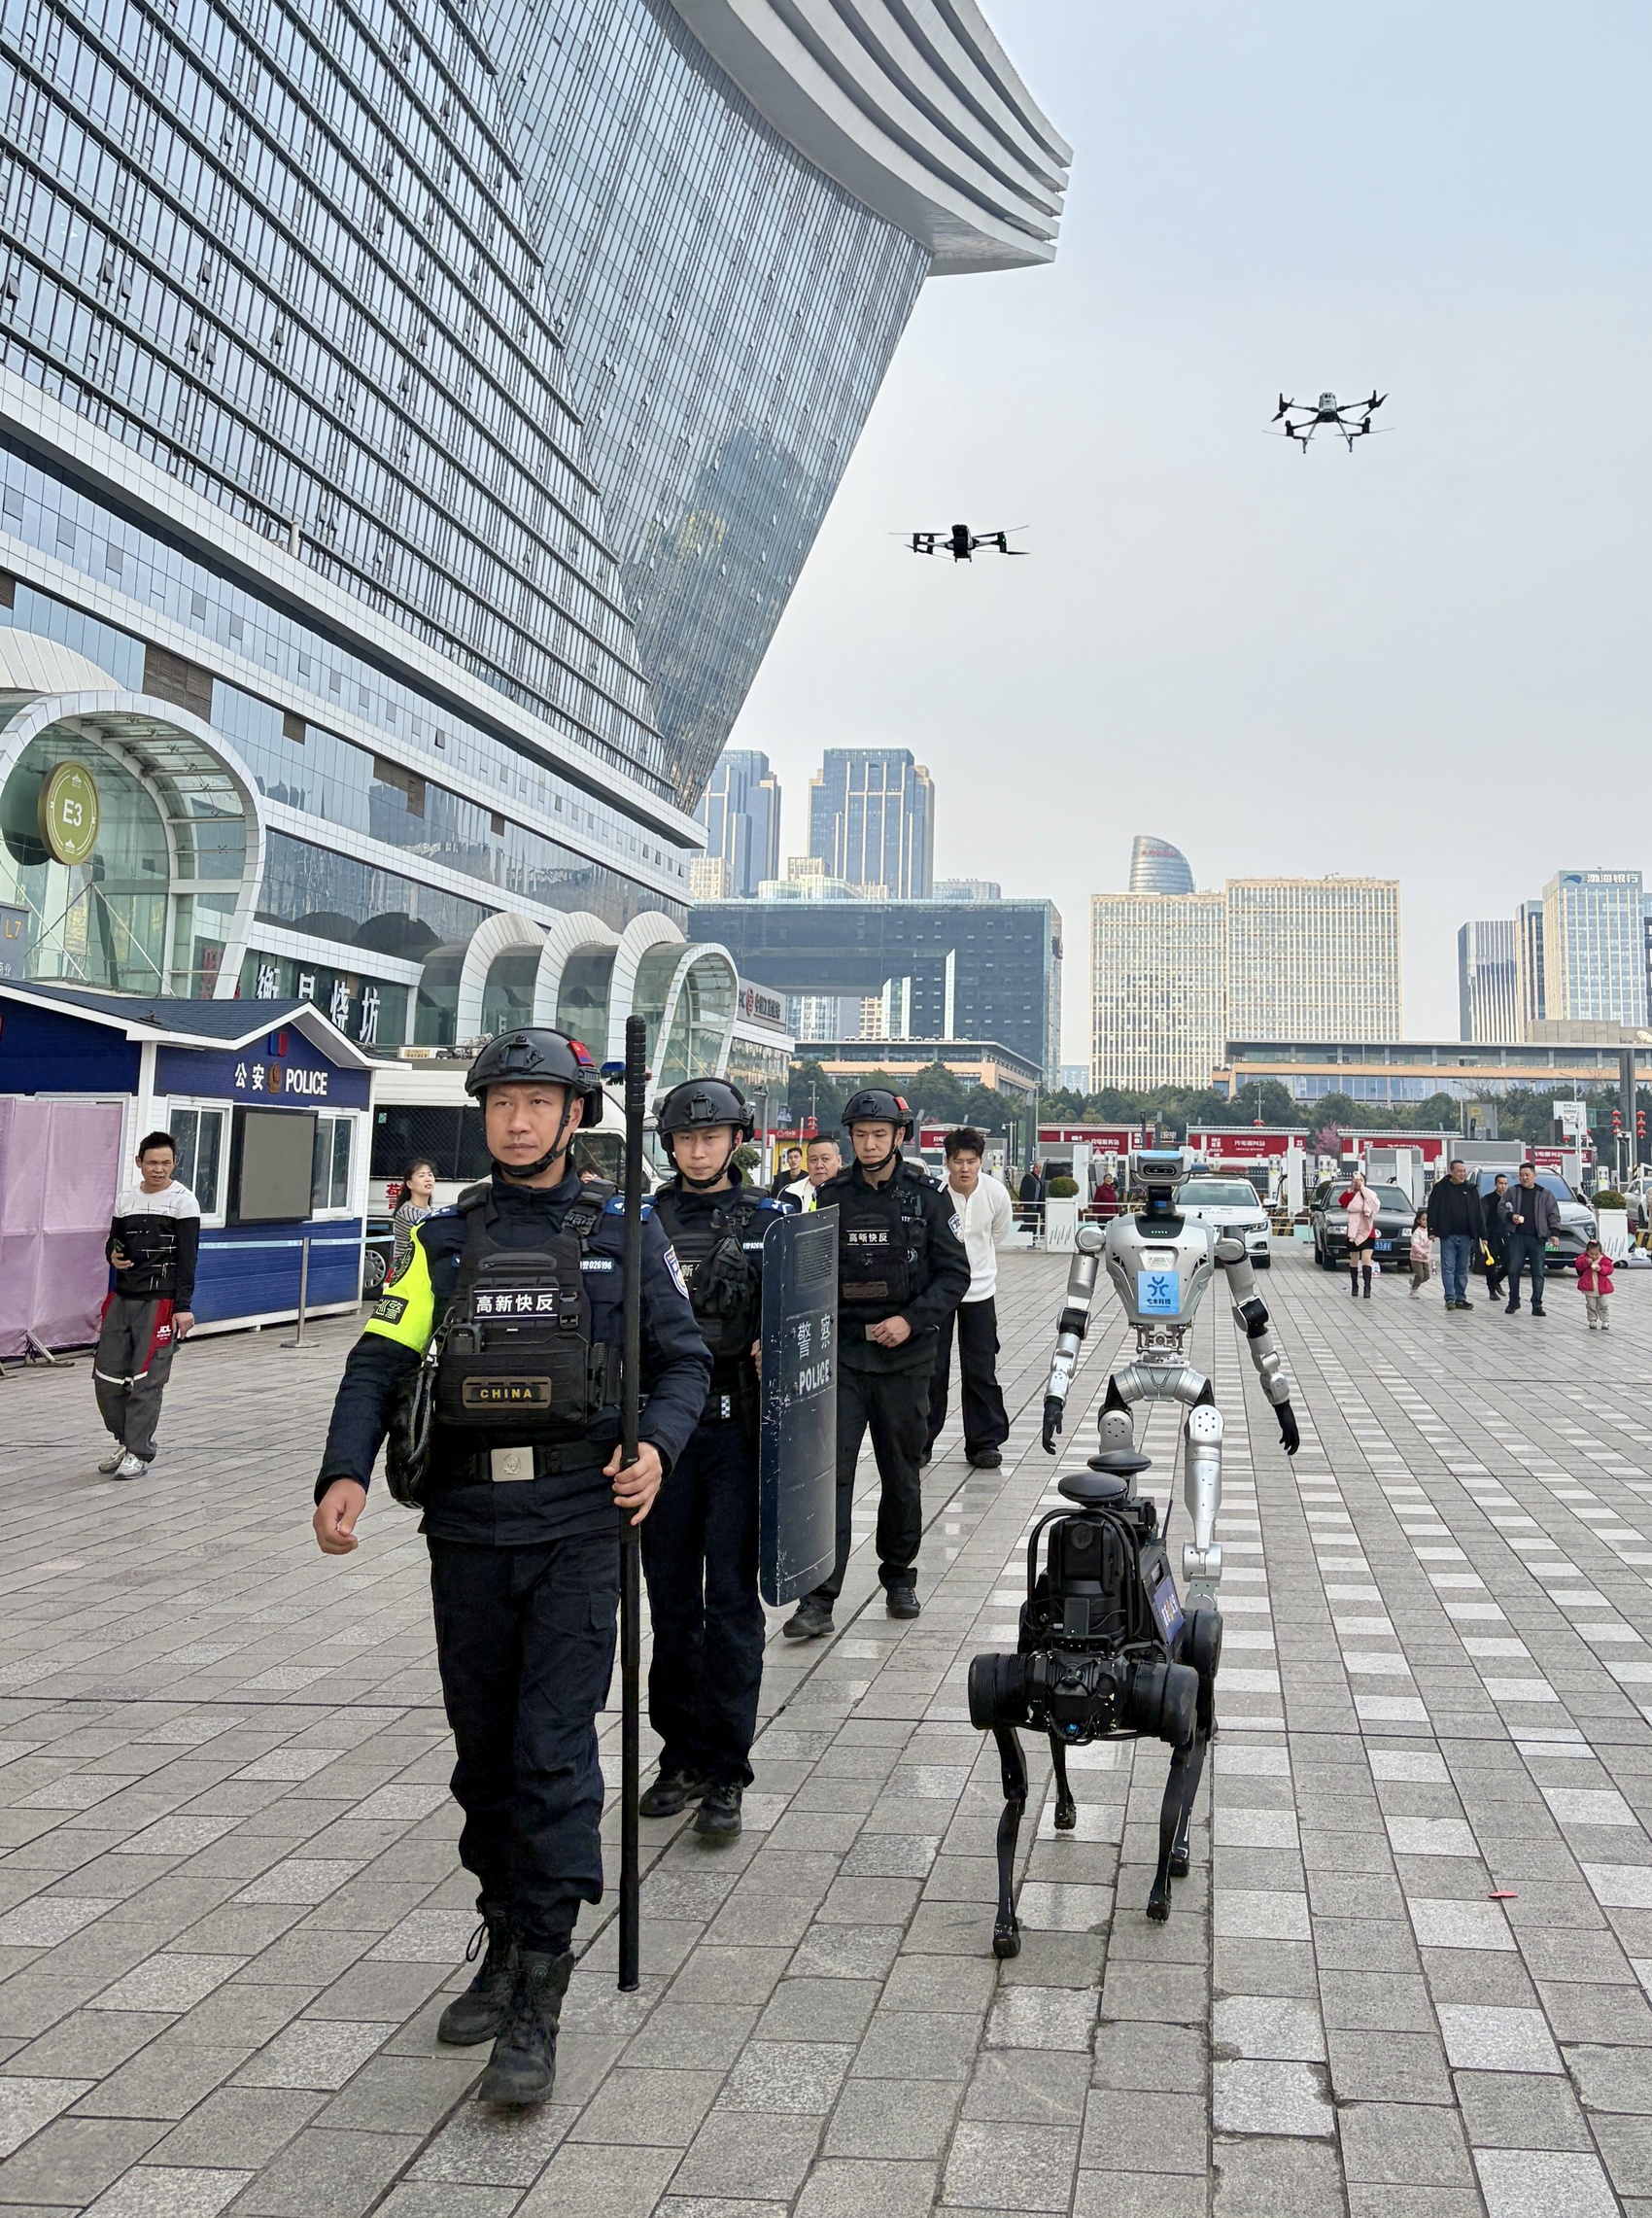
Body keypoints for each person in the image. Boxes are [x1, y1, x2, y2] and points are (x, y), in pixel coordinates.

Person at [311, 1027, 710, 2107]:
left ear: (575, 1115)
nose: (518, 1121)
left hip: (580, 1524)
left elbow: (683, 1361)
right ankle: (500, 1932)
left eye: (538, 1103)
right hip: (467, 1528)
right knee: (483, 1759)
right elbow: (378, 1361)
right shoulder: (442, 1240)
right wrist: (344, 1471)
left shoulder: (625, 1231)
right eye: (500, 1103)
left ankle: (541, 1983)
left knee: (550, 1756)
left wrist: (658, 1445)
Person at [639, 1078, 792, 1842]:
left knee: (730, 1606)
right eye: (684, 1139)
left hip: (738, 1435)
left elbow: (815, 1320)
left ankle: (727, 1771)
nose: (697, 1151)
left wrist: (779, 1341)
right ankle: (679, 1758)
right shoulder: (641, 1222)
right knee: (671, 1607)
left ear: (737, 1140)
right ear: (668, 1144)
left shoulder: (776, 1222)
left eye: (711, 1137)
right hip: (664, 1442)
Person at [782, 1089, 969, 1639]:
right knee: (831, 1478)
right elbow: (807, 1271)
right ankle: (818, 1597)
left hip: (906, 1359)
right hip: (843, 1358)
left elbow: (954, 1275)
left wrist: (911, 1320)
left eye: (879, 1135)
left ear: (898, 1137)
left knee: (900, 1474)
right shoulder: (830, 1195)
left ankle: (900, 1577)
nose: (868, 1144)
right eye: (860, 1135)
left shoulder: (928, 1197)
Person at [93, 1131, 201, 1479]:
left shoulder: (184, 1201)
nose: (159, 1169)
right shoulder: (126, 1198)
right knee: (106, 1378)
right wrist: (112, 1255)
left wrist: (183, 1307)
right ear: (139, 1162)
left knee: (146, 1380)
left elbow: (188, 1260)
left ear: (174, 1164)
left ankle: (138, 1452)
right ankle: (126, 1440)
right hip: (122, 1298)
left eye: (166, 1163)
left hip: (161, 1302)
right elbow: (113, 1241)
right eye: (152, 1162)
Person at [925, 1128, 1014, 1471]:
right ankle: (921, 1441)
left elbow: (998, 1233)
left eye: (971, 1161)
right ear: (946, 1162)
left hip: (980, 1292)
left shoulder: (995, 1193)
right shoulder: (934, 1193)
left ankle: (984, 1442)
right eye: (958, 1161)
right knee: (932, 1369)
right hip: (938, 1292)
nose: (965, 1168)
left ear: (981, 1162)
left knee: (981, 1369)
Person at [1427, 1158, 1485, 1313]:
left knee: (1462, 1268)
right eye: (1459, 1171)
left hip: (1466, 1235)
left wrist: (1483, 1235)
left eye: (1464, 1171)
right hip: (1448, 1235)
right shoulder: (1441, 1188)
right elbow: (1433, 1209)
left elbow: (1478, 1212)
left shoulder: (1470, 1189)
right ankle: (1450, 1299)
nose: (1462, 1174)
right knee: (1448, 1267)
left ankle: (1460, 1298)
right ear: (1451, 1172)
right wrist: (1432, 1230)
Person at [1501, 1161, 1560, 1317]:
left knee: (1538, 1272)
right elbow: (1501, 1207)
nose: (1524, 1178)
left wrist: (1554, 1233)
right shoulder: (1512, 1191)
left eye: (1527, 1175)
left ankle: (1537, 1304)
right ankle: (1514, 1301)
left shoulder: (1545, 1194)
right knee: (1513, 1270)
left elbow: (1553, 1214)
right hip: (1517, 1237)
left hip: (1537, 1238)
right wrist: (1510, 1216)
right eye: (1521, 1175)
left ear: (1534, 1176)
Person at [1339, 1169, 1380, 1299]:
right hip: (1353, 1231)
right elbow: (1342, 1202)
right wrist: (1350, 1189)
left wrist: (1362, 1188)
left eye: (1360, 1180)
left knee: (1366, 1258)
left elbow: (1375, 1205)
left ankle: (1367, 1287)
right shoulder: (1351, 1195)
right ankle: (1354, 1285)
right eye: (1355, 1180)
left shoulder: (1369, 1194)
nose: (1358, 1183)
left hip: (1368, 1231)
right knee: (1354, 1260)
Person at [392, 1160, 437, 1274]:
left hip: (422, 1269)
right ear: (409, 1184)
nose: (428, 1179)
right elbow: (429, 1237)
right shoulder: (407, 1211)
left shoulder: (432, 1211)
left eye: (430, 1175)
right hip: (405, 1271)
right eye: (421, 1176)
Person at [786, 1135, 841, 1208]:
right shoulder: (789, 1193)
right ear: (807, 1162)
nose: (819, 1165)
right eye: (814, 1160)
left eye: (825, 1159)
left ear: (838, 1160)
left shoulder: (852, 1191)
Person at [1482, 1172, 1511, 1301]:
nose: (1503, 1186)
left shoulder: (1509, 1200)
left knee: (1509, 1262)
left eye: (1505, 1184)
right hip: (1491, 1235)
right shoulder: (1488, 1199)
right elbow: (1483, 1217)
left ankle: (1496, 1281)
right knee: (1491, 1263)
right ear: (1495, 1184)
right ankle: (1491, 1290)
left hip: (1506, 1235)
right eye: (1500, 1183)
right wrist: (1483, 1236)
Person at [1577, 1237, 1614, 1331]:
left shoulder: (1604, 1260)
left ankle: (1605, 1320)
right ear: (1587, 1252)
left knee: (1603, 1304)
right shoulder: (1584, 1258)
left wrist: (1601, 1269)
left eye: (1596, 1254)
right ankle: (1592, 1320)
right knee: (1591, 1304)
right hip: (1589, 1287)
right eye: (1591, 1254)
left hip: (1602, 1288)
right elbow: (1578, 1265)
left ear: (1600, 1252)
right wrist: (1586, 1262)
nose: (1594, 1256)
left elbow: (1610, 1269)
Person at [1018, 1161, 1047, 1241]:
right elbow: (1023, 1191)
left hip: (1036, 1206)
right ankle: (1018, 1238)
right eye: (1037, 1168)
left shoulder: (1038, 1180)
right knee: (1028, 1223)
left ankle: (1032, 1242)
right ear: (1033, 1168)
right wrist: (1022, 1204)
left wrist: (1042, 1205)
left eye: (1040, 1168)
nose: (1038, 1170)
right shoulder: (1028, 1178)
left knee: (1034, 1225)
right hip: (1029, 1205)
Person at [1408, 1210, 1431, 1299]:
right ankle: (1414, 1289)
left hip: (1425, 1258)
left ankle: (1414, 1282)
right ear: (1419, 1221)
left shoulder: (1428, 1231)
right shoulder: (1417, 1232)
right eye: (1424, 1219)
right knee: (1420, 1275)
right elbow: (1415, 1245)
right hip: (1416, 1258)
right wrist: (1422, 1253)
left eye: (1427, 1220)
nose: (1426, 1222)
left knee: (1426, 1276)